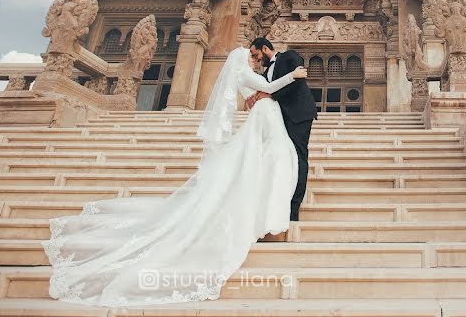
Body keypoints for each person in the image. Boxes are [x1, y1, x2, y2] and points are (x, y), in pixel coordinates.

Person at [43, 47, 307, 306]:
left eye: (255, 56)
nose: (254, 60)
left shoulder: (247, 73)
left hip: (268, 117)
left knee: (275, 158)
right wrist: (292, 76)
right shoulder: (244, 73)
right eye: (251, 57)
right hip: (264, 116)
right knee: (274, 157)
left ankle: (270, 208)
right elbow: (270, 89)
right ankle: (268, 211)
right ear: (240, 59)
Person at [247, 37, 317, 222]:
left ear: (265, 48)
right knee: (284, 158)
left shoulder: (289, 56)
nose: (256, 59)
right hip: (278, 119)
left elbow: (298, 78)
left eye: (256, 54)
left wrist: (271, 93)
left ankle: (294, 208)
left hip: (299, 114)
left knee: (298, 157)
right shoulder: (264, 72)